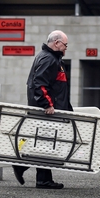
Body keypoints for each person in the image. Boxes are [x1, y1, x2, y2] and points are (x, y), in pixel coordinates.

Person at [13, 30, 73, 189]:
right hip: (46, 110)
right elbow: (39, 84)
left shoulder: (49, 58)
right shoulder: (49, 59)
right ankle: (33, 173)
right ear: (56, 43)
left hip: (47, 108)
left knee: (45, 144)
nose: (66, 49)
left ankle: (41, 178)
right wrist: (47, 105)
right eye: (65, 45)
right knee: (46, 144)